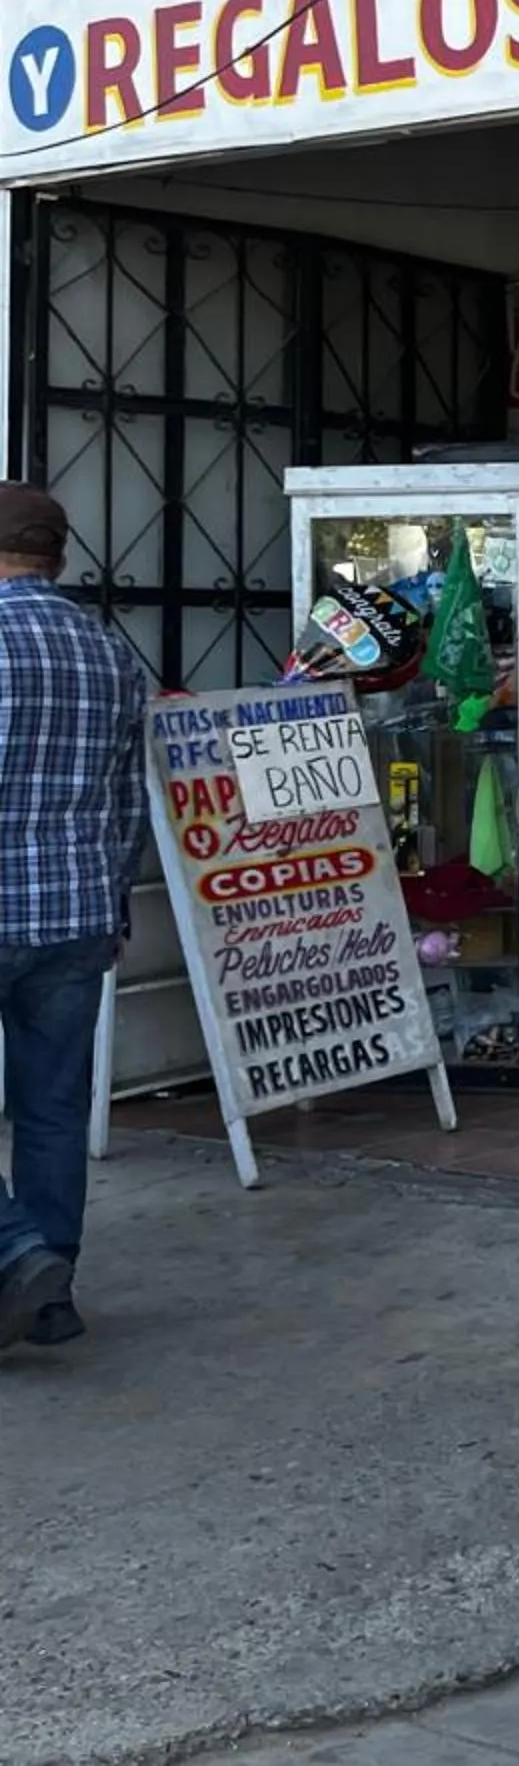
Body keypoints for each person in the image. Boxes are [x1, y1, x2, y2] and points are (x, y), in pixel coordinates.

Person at [0, 484, 149, 1351]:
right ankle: (50, 1293)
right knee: (52, 1110)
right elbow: (126, 805)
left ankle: (18, 1253)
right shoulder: (107, 652)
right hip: (77, 912)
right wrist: (116, 903)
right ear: (57, 557)